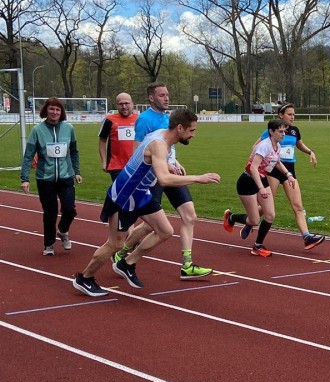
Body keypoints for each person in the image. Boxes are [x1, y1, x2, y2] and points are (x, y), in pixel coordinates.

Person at [73, 109, 221, 297]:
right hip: (124, 196)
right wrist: (199, 178)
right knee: (115, 244)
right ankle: (84, 278)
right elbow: (164, 180)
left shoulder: (162, 137)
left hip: (141, 194)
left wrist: (169, 164)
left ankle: (127, 263)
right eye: (191, 131)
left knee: (165, 231)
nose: (194, 135)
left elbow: (148, 156)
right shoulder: (159, 144)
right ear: (180, 128)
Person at [111, 82, 213, 279]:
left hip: (172, 171)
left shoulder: (169, 118)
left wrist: (175, 161)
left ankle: (187, 265)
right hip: (154, 177)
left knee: (190, 216)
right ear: (151, 98)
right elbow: (139, 152)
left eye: (167, 94)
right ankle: (122, 254)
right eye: (162, 95)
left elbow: (168, 147)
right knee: (150, 225)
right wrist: (166, 165)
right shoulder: (144, 120)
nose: (166, 98)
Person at [246, 103, 324, 250]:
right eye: (290, 114)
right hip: (274, 171)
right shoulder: (273, 131)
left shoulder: (294, 131)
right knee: (267, 205)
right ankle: (248, 220)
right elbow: (256, 147)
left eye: (294, 114)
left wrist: (310, 152)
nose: (292, 117)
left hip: (289, 171)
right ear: (281, 115)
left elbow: (299, 145)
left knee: (298, 206)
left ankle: (307, 237)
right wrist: (266, 159)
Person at [222, 119, 294, 258]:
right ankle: (231, 217)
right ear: (271, 132)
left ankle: (258, 246)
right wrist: (261, 188)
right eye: (280, 131)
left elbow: (277, 162)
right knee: (254, 220)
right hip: (248, 181)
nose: (283, 134)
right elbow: (254, 168)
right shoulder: (264, 146)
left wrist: (288, 175)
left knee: (270, 215)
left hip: (261, 180)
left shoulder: (277, 146)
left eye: (284, 131)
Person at [20, 97, 82, 255]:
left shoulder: (69, 129)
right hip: (45, 179)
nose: (54, 112)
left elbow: (74, 151)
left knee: (69, 209)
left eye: (57, 109)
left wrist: (77, 171)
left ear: (61, 112)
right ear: (46, 111)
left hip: (66, 176)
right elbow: (28, 156)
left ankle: (63, 230)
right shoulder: (37, 130)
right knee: (50, 213)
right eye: (51, 109)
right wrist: (25, 178)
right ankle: (48, 244)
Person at [98, 92, 138, 181]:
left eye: (126, 103)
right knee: (120, 193)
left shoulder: (140, 119)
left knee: (136, 193)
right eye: (121, 104)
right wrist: (104, 161)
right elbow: (102, 141)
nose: (124, 106)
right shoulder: (109, 120)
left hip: (137, 165)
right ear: (116, 105)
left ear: (132, 104)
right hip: (116, 166)